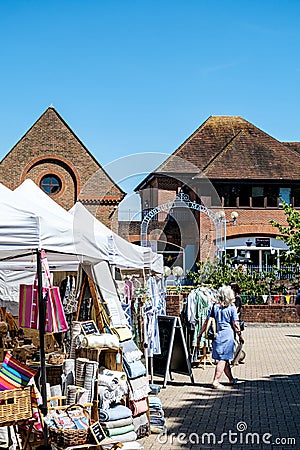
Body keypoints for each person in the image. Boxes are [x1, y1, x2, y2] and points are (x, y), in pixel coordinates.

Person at [197, 285, 244, 389]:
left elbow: (206, 322)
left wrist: (200, 334)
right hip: (227, 336)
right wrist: (240, 336)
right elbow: (236, 324)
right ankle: (216, 381)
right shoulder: (231, 308)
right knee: (222, 359)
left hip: (216, 335)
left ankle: (231, 379)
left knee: (225, 359)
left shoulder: (214, 307)